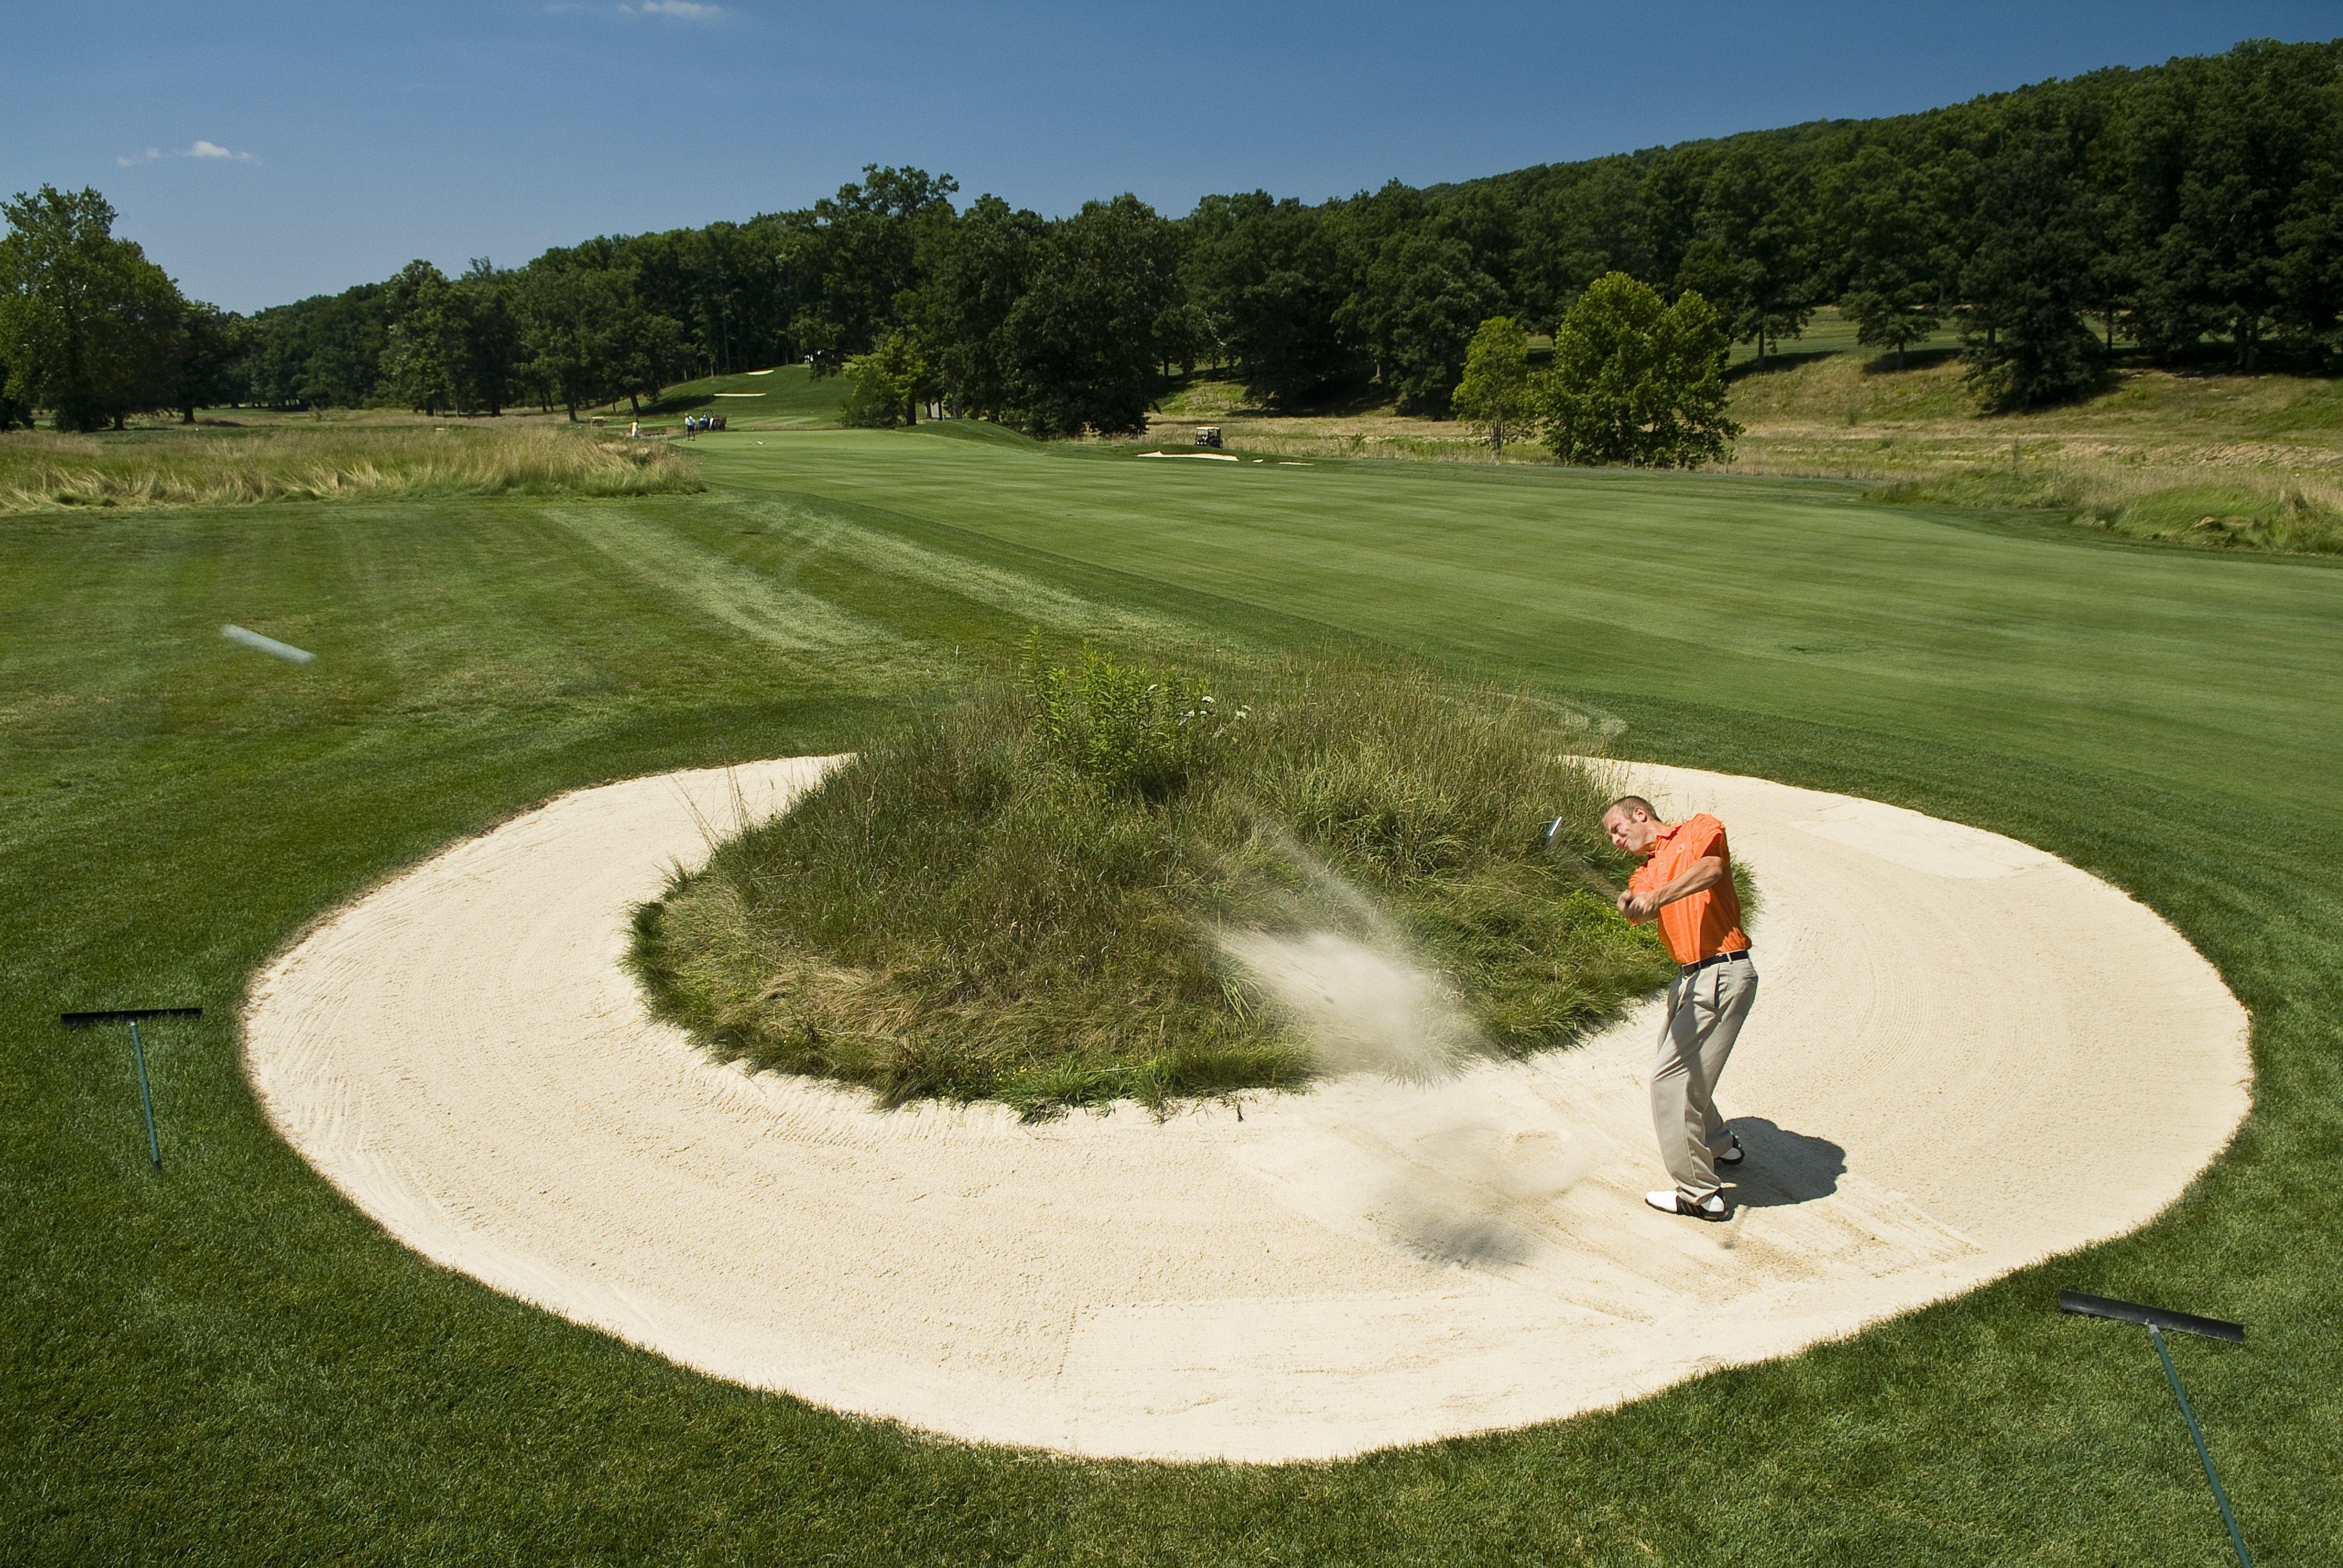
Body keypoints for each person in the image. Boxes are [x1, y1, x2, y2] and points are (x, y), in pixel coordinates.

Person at [1601, 794, 1756, 1222]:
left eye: (1617, 829)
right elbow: (1641, 903)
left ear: (1640, 814)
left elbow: (1712, 870)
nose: (1615, 839)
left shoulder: (1699, 829)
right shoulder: (1649, 868)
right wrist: (1632, 903)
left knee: (1671, 1080)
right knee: (1682, 1067)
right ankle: (1721, 1145)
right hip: (1690, 979)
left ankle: (1700, 1194)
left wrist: (1660, 896)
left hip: (1722, 972)